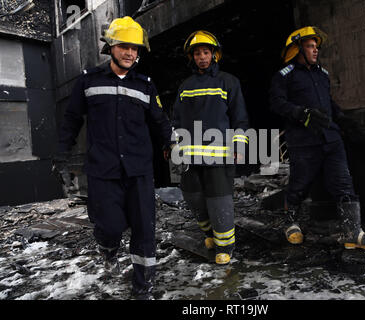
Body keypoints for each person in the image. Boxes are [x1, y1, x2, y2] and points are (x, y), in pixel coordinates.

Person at [53, 16, 172, 299]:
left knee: (144, 229)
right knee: (109, 226)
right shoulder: (88, 80)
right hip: (103, 169)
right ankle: (107, 247)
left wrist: (171, 142)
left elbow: (160, 120)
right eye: (124, 47)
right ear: (111, 47)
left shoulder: (146, 85)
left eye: (135, 49)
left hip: (139, 169)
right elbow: (71, 120)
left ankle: (142, 285)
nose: (130, 53)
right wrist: (61, 155)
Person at [269, 26, 365, 250]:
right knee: (299, 184)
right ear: (297, 49)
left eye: (316, 47)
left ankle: (353, 232)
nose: (315, 51)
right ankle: (290, 222)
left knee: (344, 183)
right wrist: (302, 114)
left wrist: (342, 119)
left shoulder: (322, 74)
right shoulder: (284, 75)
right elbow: (276, 103)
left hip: (331, 139)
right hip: (303, 141)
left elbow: (328, 103)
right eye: (310, 47)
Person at [171, 30, 249, 265]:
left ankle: (225, 246)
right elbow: (176, 119)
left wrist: (240, 146)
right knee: (193, 197)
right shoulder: (185, 86)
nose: (202, 57)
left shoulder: (228, 81)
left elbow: (240, 118)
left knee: (218, 200)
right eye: (197, 53)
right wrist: (174, 144)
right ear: (192, 57)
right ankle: (209, 234)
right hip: (191, 157)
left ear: (215, 55)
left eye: (206, 52)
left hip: (220, 155)